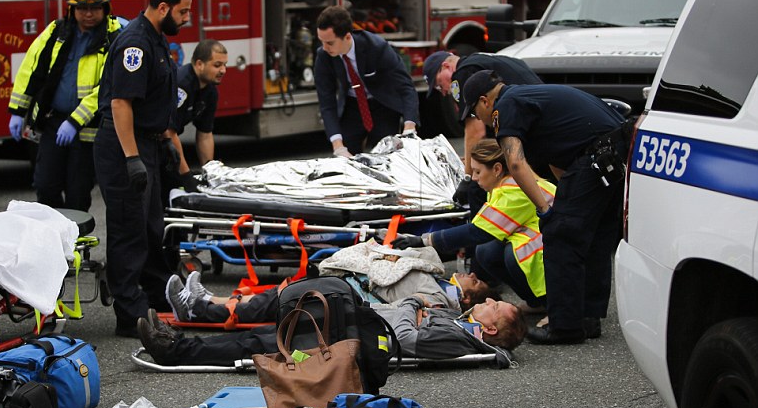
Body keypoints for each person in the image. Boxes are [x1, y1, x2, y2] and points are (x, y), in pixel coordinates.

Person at [459, 69, 630, 344]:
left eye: (476, 113)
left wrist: (546, 210)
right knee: (597, 237)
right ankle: (588, 317)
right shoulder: (530, 97)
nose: (480, 119)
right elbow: (558, 158)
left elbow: (515, 163)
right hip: (615, 153)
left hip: (596, 158)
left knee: (560, 237)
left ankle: (564, 327)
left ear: (485, 101)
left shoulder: (506, 106)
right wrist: (566, 201)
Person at [95, 0, 194, 337]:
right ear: (163, 7)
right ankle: (130, 314)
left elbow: (154, 100)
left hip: (146, 143)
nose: (187, 18)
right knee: (129, 230)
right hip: (125, 145)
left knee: (152, 227)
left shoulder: (155, 38)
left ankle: (156, 296)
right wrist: (132, 157)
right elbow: (121, 103)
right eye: (183, 11)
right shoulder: (135, 43)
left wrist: (163, 141)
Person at [136, 293, 524, 367]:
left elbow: (406, 339)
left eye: (493, 307)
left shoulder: (457, 337)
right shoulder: (460, 322)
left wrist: (411, 305)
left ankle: (173, 350)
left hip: (350, 342)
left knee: (262, 344)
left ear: (489, 330)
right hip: (354, 324)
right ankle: (180, 339)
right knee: (274, 325)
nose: (489, 300)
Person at [8, 0, 123, 212]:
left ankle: (74, 235)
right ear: (71, 8)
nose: (88, 14)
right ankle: (55, 231)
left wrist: (74, 120)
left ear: (106, 7)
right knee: (45, 185)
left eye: (95, 8)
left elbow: (108, 88)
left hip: (88, 130)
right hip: (53, 122)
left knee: (78, 193)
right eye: (82, 8)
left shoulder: (114, 38)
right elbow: (31, 68)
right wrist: (18, 111)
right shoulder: (56, 31)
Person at [391, 138, 554, 309]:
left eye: (477, 172)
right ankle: (536, 303)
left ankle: (551, 304)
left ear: (497, 169)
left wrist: (424, 240)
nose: (474, 178)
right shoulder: (505, 184)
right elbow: (483, 226)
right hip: (544, 233)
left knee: (514, 256)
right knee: (486, 251)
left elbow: (478, 232)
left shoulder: (513, 192)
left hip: (556, 241)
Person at [422, 50, 542, 220]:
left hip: (527, 134)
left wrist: (468, 177)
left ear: (446, 66)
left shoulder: (462, 74)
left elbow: (476, 131)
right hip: (540, 127)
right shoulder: (487, 60)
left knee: (477, 187)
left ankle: (485, 233)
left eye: (439, 85)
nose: (443, 92)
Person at [164, 268, 495, 325]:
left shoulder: (438, 299)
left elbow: (396, 308)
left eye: (477, 282)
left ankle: (198, 310)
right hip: (355, 286)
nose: (471, 274)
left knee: (284, 301)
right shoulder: (439, 281)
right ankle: (210, 301)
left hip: (356, 300)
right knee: (283, 294)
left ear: (467, 299)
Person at [314, 5, 419, 158]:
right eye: (321, 41)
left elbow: (406, 87)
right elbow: (326, 101)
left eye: (329, 43)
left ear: (347, 37)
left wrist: (409, 126)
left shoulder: (377, 47)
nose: (324, 48)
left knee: (386, 158)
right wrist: (338, 145)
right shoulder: (323, 56)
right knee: (345, 159)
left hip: (381, 104)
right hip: (352, 105)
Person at [162, 39, 228, 195]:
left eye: (225, 65)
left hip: (166, 144)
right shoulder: (182, 84)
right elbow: (169, 132)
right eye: (217, 65)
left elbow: (205, 134)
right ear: (199, 64)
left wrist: (209, 171)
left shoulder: (210, 91)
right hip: (149, 144)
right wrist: (185, 175)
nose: (223, 70)